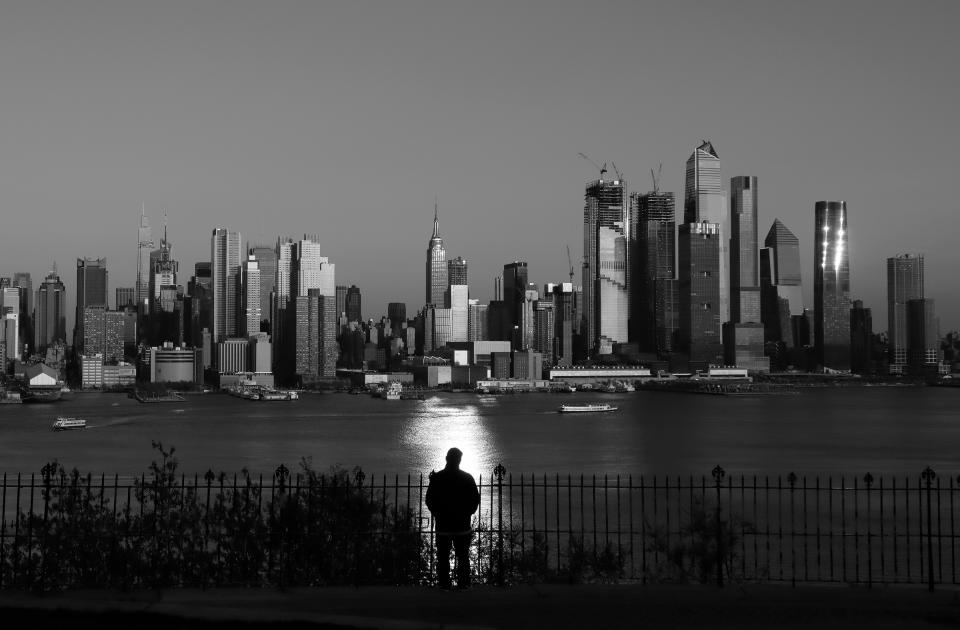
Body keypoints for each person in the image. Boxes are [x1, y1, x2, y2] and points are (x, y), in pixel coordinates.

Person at [425, 447, 481, 590]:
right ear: (459, 460)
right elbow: (475, 499)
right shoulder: (467, 478)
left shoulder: (437, 478)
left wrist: (438, 513)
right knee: (462, 556)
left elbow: (429, 500)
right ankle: (463, 583)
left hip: (443, 524)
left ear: (446, 458)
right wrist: (467, 512)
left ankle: (444, 583)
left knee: (443, 555)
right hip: (462, 524)